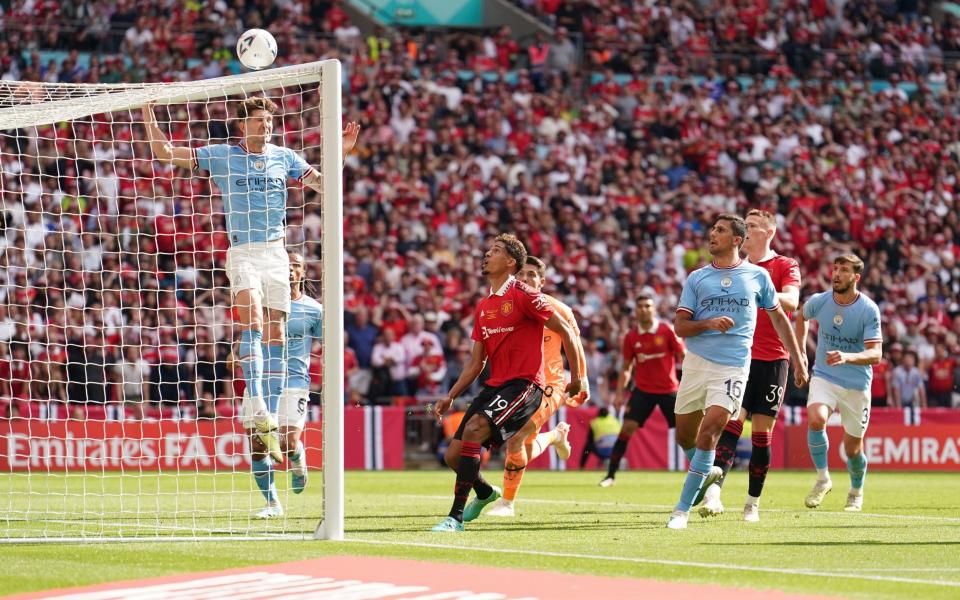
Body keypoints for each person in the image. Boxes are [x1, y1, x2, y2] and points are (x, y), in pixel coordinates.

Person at [143, 97, 358, 508]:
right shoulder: (223, 155)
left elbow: (323, 186)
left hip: (278, 252)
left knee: (276, 331)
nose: (267, 128)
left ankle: (271, 418)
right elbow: (165, 153)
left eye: (271, 122)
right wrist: (150, 116)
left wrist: (341, 155)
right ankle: (257, 402)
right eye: (260, 122)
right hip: (244, 252)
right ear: (243, 125)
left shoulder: (285, 157)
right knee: (253, 322)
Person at [430, 234, 588, 532]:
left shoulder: (526, 295)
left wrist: (578, 378)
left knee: (477, 430)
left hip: (526, 385)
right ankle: (487, 493)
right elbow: (477, 363)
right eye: (489, 249)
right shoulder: (483, 307)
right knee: (452, 455)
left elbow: (567, 330)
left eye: (496, 251)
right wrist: (450, 395)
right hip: (496, 385)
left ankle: (456, 517)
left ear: (510, 262)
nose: (487, 254)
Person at [667, 215, 808, 530]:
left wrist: (798, 357)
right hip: (696, 364)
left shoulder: (757, 277)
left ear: (736, 240)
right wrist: (708, 323)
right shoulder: (697, 278)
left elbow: (780, 318)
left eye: (720, 230)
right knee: (685, 436)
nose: (712, 234)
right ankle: (709, 472)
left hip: (733, 367)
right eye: (712, 229)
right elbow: (680, 326)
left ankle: (681, 511)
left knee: (710, 431)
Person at [700, 209, 801, 522]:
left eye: (754, 225)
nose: (748, 229)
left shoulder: (784, 265)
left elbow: (792, 301)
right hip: (738, 358)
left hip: (773, 360)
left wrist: (758, 288)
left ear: (769, 232)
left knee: (761, 434)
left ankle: (752, 504)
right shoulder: (733, 268)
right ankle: (714, 493)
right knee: (730, 424)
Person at [483, 256, 587, 518]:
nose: (525, 279)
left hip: (551, 383)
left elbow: (574, 341)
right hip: (521, 384)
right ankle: (555, 437)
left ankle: (506, 503)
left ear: (542, 281)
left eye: (532, 275)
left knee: (515, 441)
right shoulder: (510, 307)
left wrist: (581, 378)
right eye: (522, 275)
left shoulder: (559, 309)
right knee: (524, 448)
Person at [796, 254, 882, 512]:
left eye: (843, 270)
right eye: (834, 269)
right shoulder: (820, 301)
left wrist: (847, 356)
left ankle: (856, 491)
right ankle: (823, 478)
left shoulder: (868, 309)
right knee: (816, 419)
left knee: (853, 448)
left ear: (856, 277)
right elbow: (801, 316)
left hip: (856, 383)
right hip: (825, 375)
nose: (836, 274)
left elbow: (876, 355)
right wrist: (800, 353)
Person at [247, 252, 323, 518]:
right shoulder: (264, 302)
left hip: (294, 381)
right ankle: (272, 504)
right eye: (286, 266)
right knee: (258, 445)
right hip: (261, 380)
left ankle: (298, 459)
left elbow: (327, 345)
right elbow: (250, 335)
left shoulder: (314, 309)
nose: (290, 271)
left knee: (288, 442)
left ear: (303, 273)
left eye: (296, 267)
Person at [599, 294, 684, 487]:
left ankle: (702, 474)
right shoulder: (631, 337)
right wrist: (620, 394)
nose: (644, 309)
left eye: (648, 306)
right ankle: (610, 475)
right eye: (641, 307)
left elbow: (683, 356)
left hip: (669, 389)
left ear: (654, 309)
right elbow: (627, 368)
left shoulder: (666, 330)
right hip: (643, 390)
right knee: (626, 429)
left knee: (685, 433)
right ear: (636, 311)